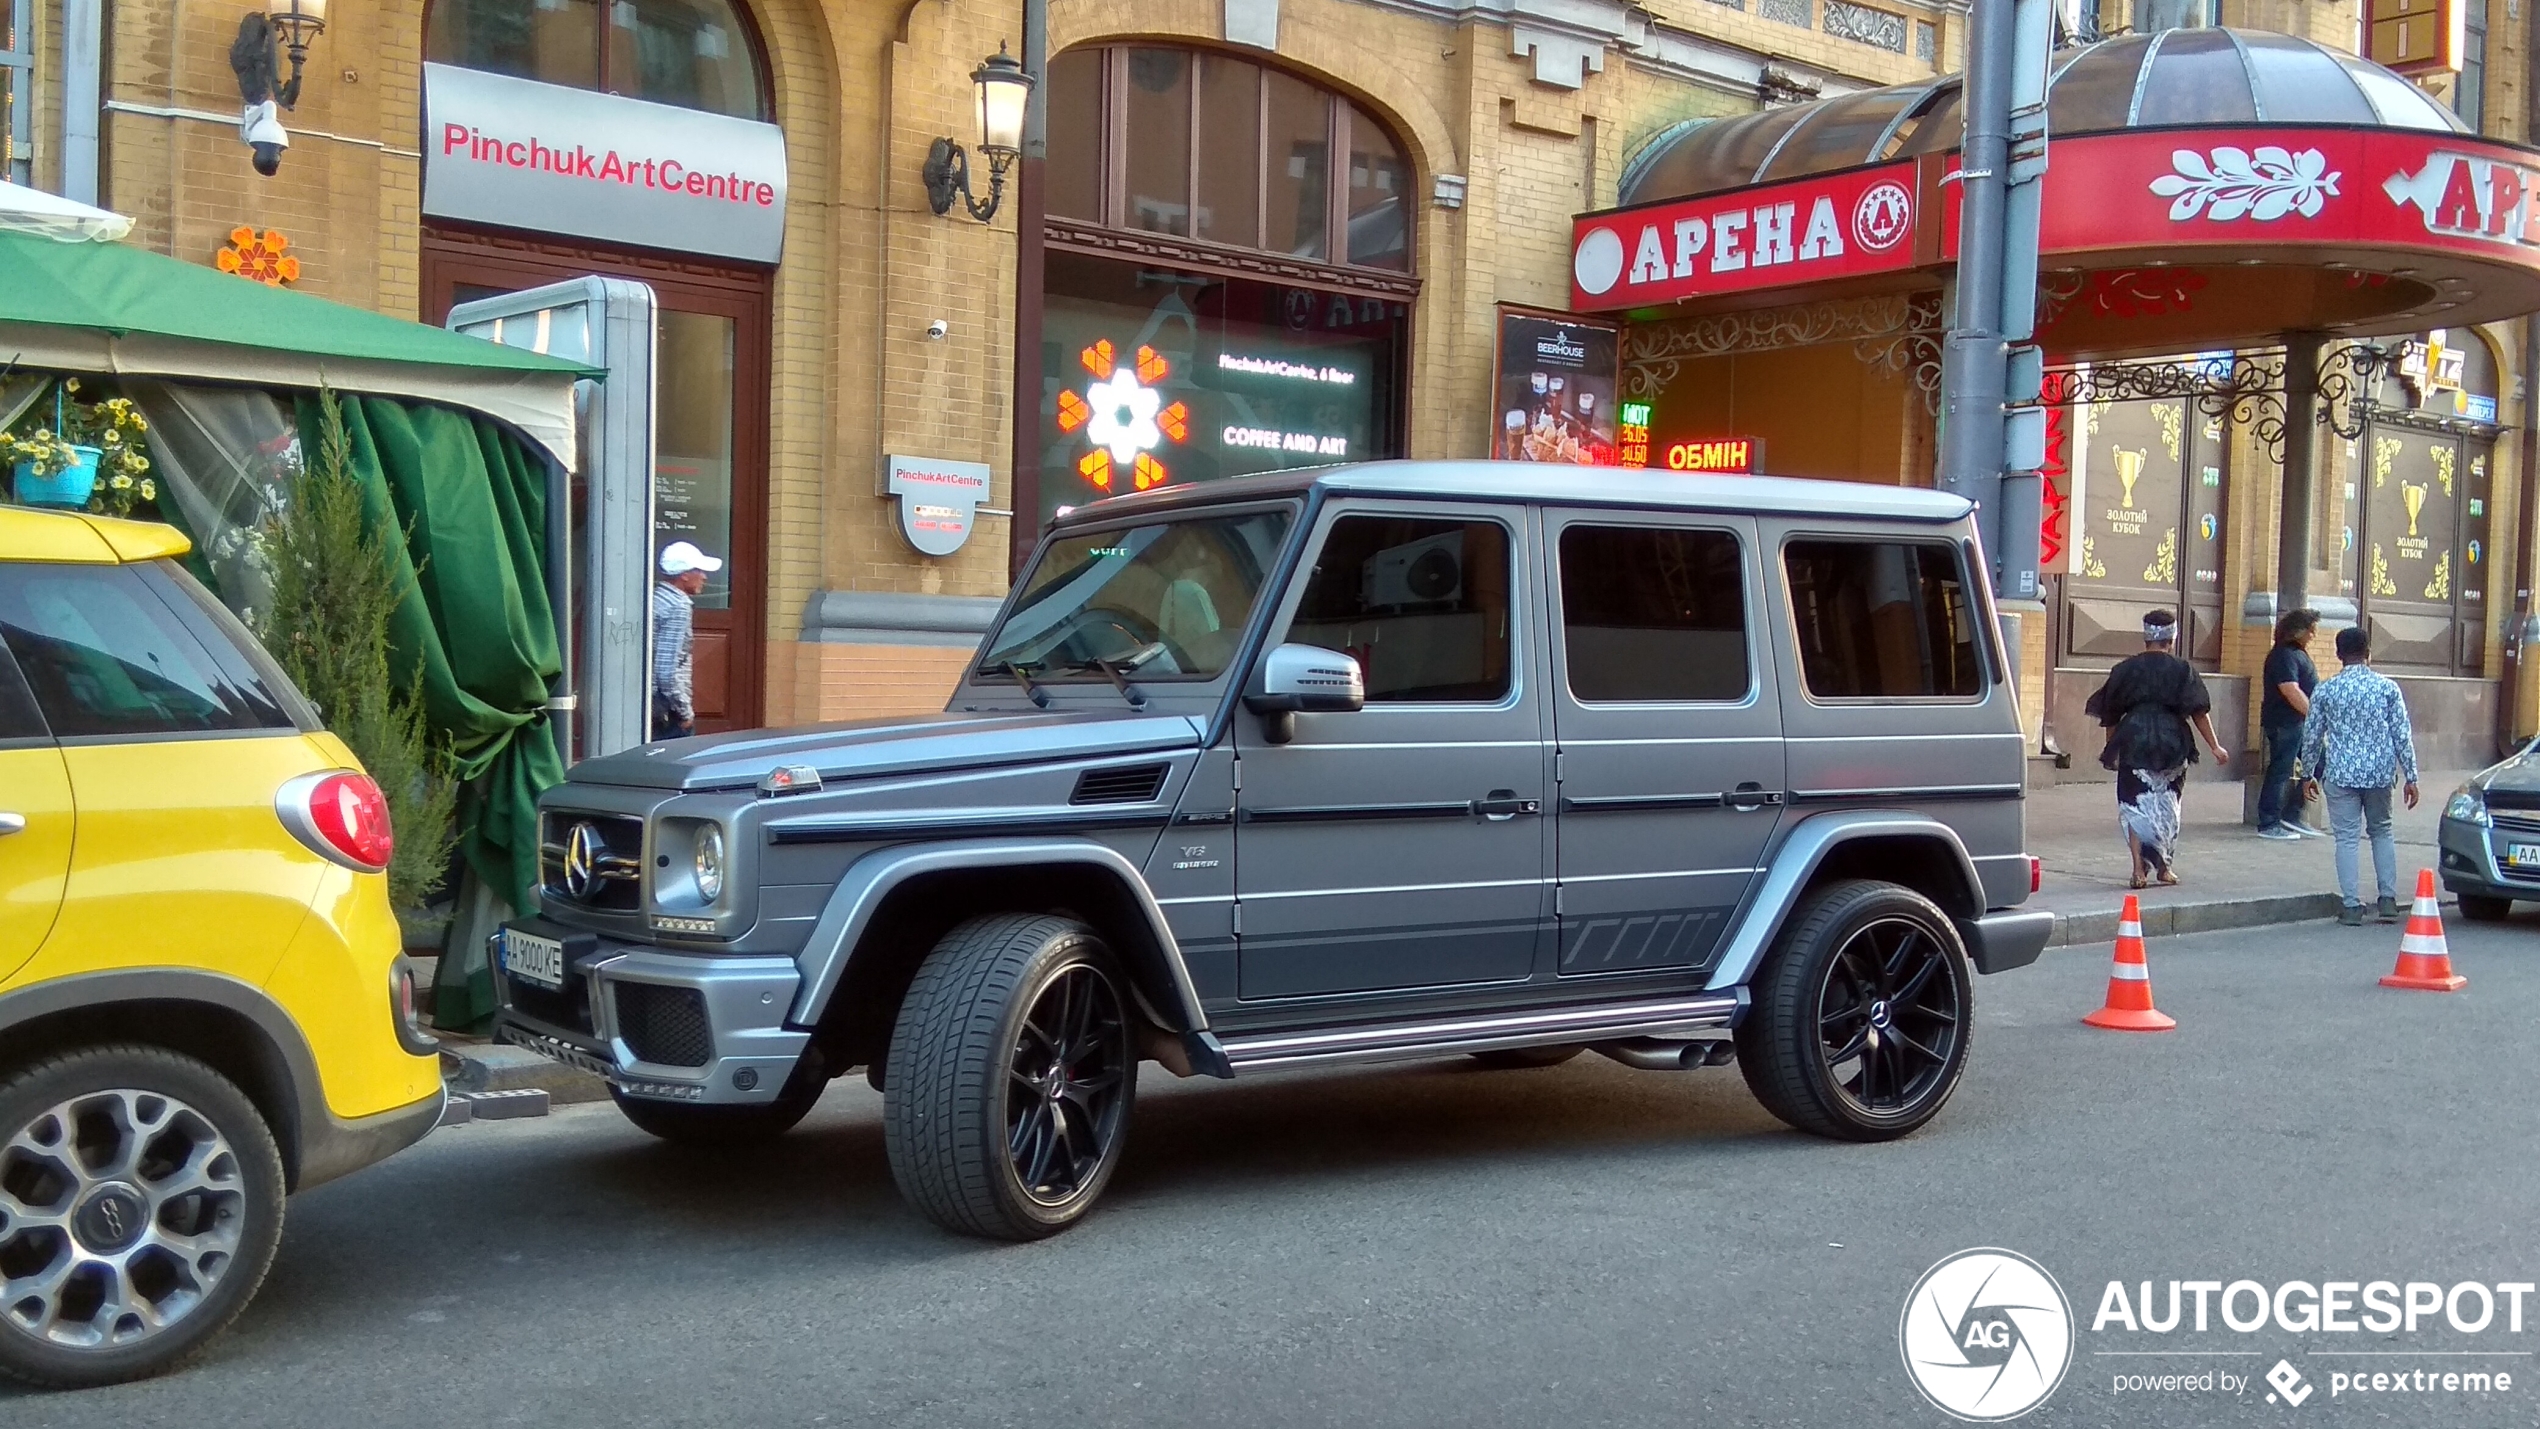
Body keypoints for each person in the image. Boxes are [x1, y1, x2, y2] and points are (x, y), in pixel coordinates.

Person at [2084, 610, 2230, 889]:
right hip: (2173, 740)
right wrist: (2215, 746)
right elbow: (2199, 712)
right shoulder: (2183, 670)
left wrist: (2110, 748)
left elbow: (2111, 715)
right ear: (2172, 639)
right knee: (2168, 803)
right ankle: (2165, 867)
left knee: (2134, 804)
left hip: (2134, 737)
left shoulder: (2124, 669)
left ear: (2146, 637)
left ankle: (2138, 870)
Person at [2299, 626, 2420, 926]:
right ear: (2368, 652)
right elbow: (2402, 734)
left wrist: (2307, 774)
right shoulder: (2387, 688)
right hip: (2380, 773)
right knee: (2382, 831)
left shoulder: (2326, 690)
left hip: (2341, 775)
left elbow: (2312, 737)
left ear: (2339, 655)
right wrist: (2411, 776)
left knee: (2347, 839)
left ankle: (2352, 906)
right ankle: (2388, 900)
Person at [2255, 607, 2324, 840]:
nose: (2313, 635)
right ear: (2298, 631)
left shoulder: (2297, 654)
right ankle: (2268, 822)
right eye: (2311, 630)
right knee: (2281, 770)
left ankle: (2293, 814)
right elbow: (2290, 690)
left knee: (2319, 762)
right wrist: (2314, 716)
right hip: (2286, 722)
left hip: (2299, 723)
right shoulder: (2283, 655)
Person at [652, 540, 722, 739]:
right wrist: (684, 711)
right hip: (668, 709)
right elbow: (666, 670)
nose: (704, 577)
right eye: (699, 570)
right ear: (684, 574)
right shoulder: (678, 606)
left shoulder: (656, 598)